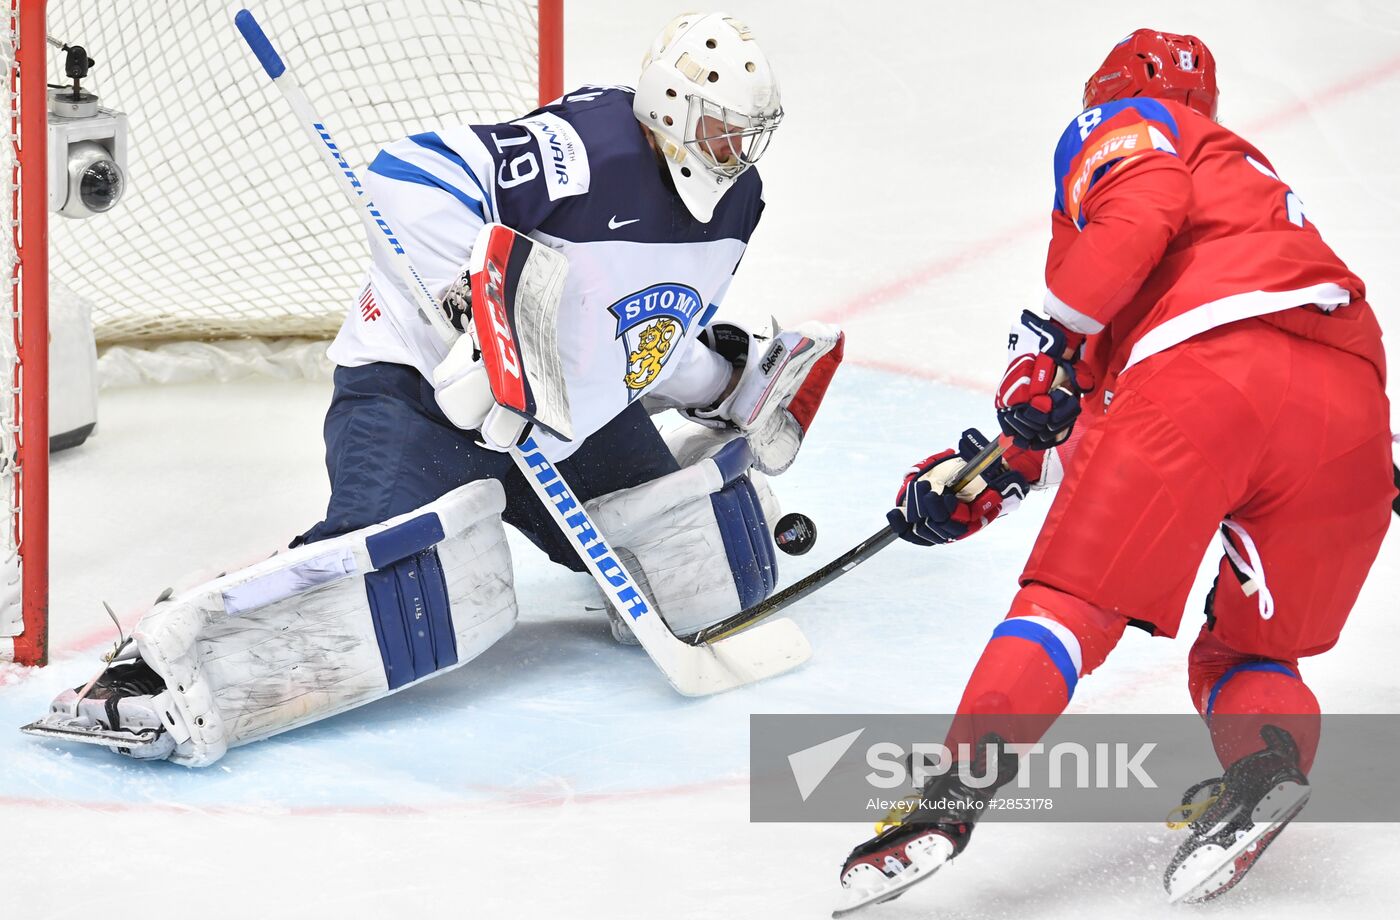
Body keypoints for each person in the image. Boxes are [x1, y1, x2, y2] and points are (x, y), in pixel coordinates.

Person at [31, 12, 842, 766]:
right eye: (720, 128)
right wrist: (474, 309)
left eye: (748, 133)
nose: (736, 150)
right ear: (668, 109)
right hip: (420, 396)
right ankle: (158, 665)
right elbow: (410, 174)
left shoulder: (738, 204)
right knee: (388, 587)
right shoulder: (592, 148)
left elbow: (635, 332)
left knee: (702, 567)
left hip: (566, 425)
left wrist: (724, 381)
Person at [837, 28, 1393, 910]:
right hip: (1352, 416)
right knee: (1249, 650)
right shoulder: (1250, 195)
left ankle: (945, 800)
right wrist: (993, 476)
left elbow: (1142, 220)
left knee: (1070, 605)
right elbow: (1089, 413)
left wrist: (1048, 340)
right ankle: (1264, 770)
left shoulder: (1132, 127)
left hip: (1208, 377)